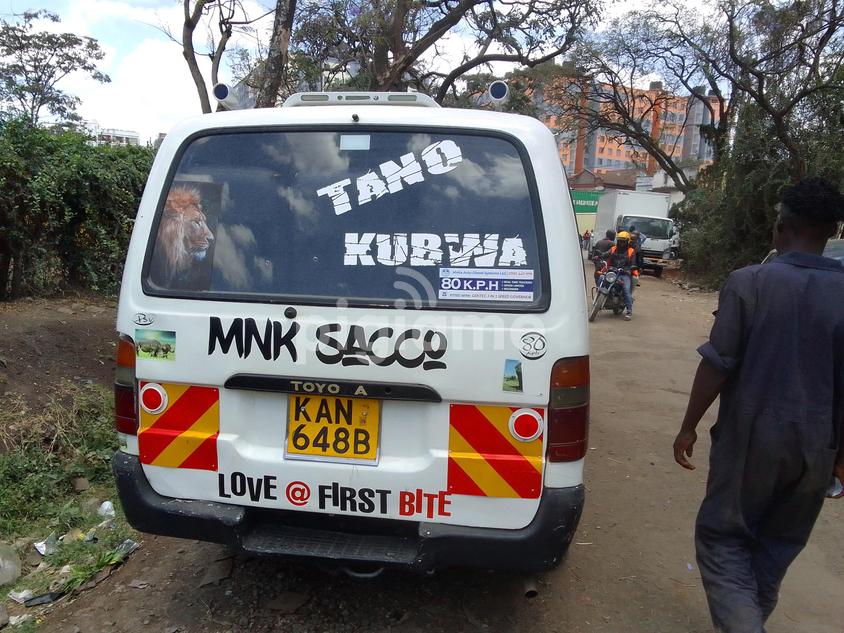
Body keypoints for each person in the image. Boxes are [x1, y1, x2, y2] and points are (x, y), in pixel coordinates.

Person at [673, 177, 844, 633]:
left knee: (722, 538)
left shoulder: (750, 282)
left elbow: (717, 364)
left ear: (781, 227)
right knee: (778, 543)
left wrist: (688, 426)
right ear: (830, 232)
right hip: (817, 448)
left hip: (751, 440)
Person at [598, 230, 638, 320]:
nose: (621, 243)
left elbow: (633, 262)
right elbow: (606, 254)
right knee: (601, 278)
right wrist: (599, 255)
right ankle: (601, 298)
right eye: (620, 240)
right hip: (613, 271)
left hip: (624, 273)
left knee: (626, 290)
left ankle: (629, 311)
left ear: (627, 241)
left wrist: (630, 268)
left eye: (623, 241)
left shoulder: (631, 251)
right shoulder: (613, 248)